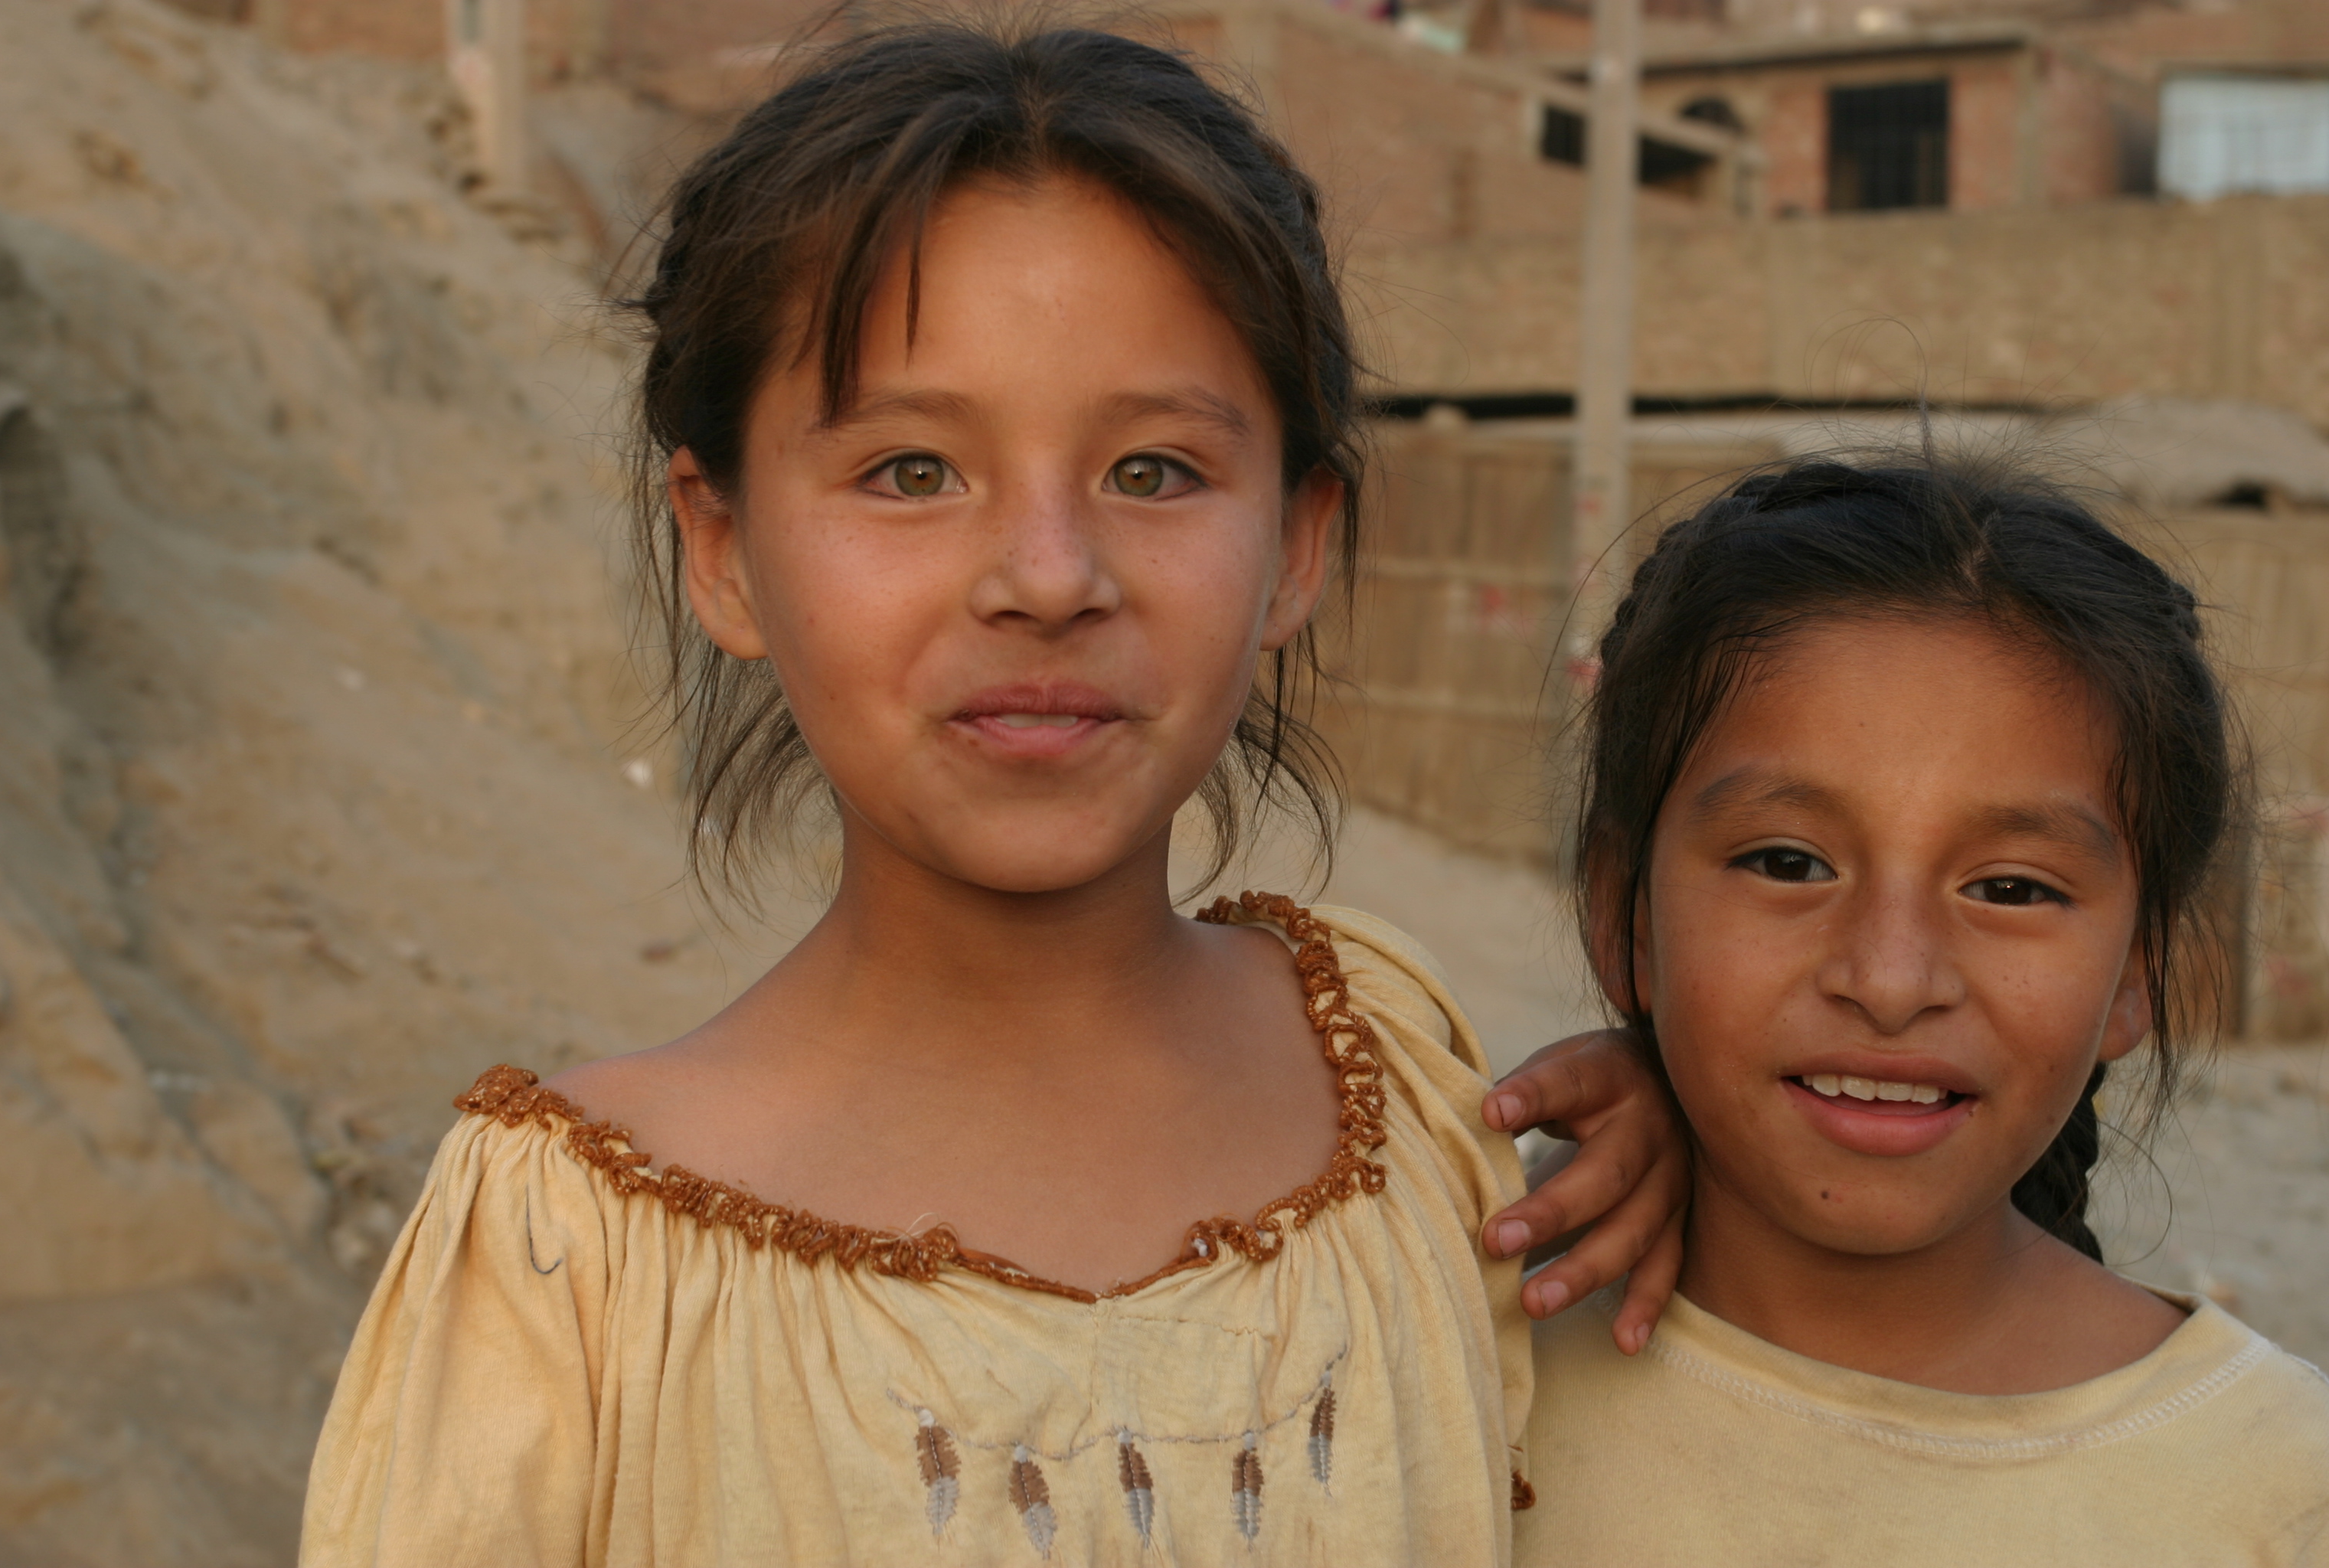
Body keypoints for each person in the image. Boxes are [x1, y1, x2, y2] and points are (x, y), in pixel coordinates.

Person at [301, 19, 1684, 1565]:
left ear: (1297, 547)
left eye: (1153, 471)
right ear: (722, 547)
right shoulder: (572, 1263)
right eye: (911, 471)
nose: (1047, 575)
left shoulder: (1411, 1097)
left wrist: (1730, 1153)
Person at [1517, 455, 2329, 1564]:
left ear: (2138, 972)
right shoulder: (1432, 1362)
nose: (1893, 981)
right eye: (1789, 863)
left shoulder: (2279, 1489)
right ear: (1626, 916)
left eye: (2012, 890)